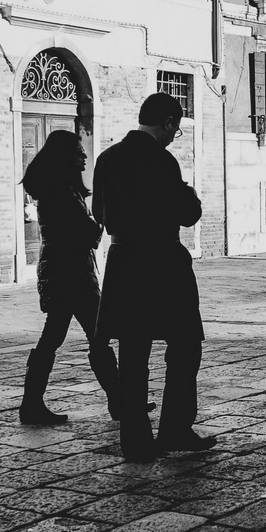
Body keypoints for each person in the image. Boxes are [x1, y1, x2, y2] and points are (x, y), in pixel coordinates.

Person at [92, 93, 216, 463]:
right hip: (161, 261)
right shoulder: (161, 161)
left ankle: (135, 441)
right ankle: (175, 428)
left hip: (123, 260)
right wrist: (189, 193)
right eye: (175, 128)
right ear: (166, 123)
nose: (173, 134)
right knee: (185, 345)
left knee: (133, 352)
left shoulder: (106, 158)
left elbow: (99, 212)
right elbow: (187, 213)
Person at [19, 130, 120, 425]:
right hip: (71, 274)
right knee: (96, 337)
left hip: (65, 271)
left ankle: (32, 404)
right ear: (65, 157)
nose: (84, 155)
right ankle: (118, 402)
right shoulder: (62, 193)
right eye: (78, 151)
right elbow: (90, 236)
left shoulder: (62, 189)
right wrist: (101, 212)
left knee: (57, 338)